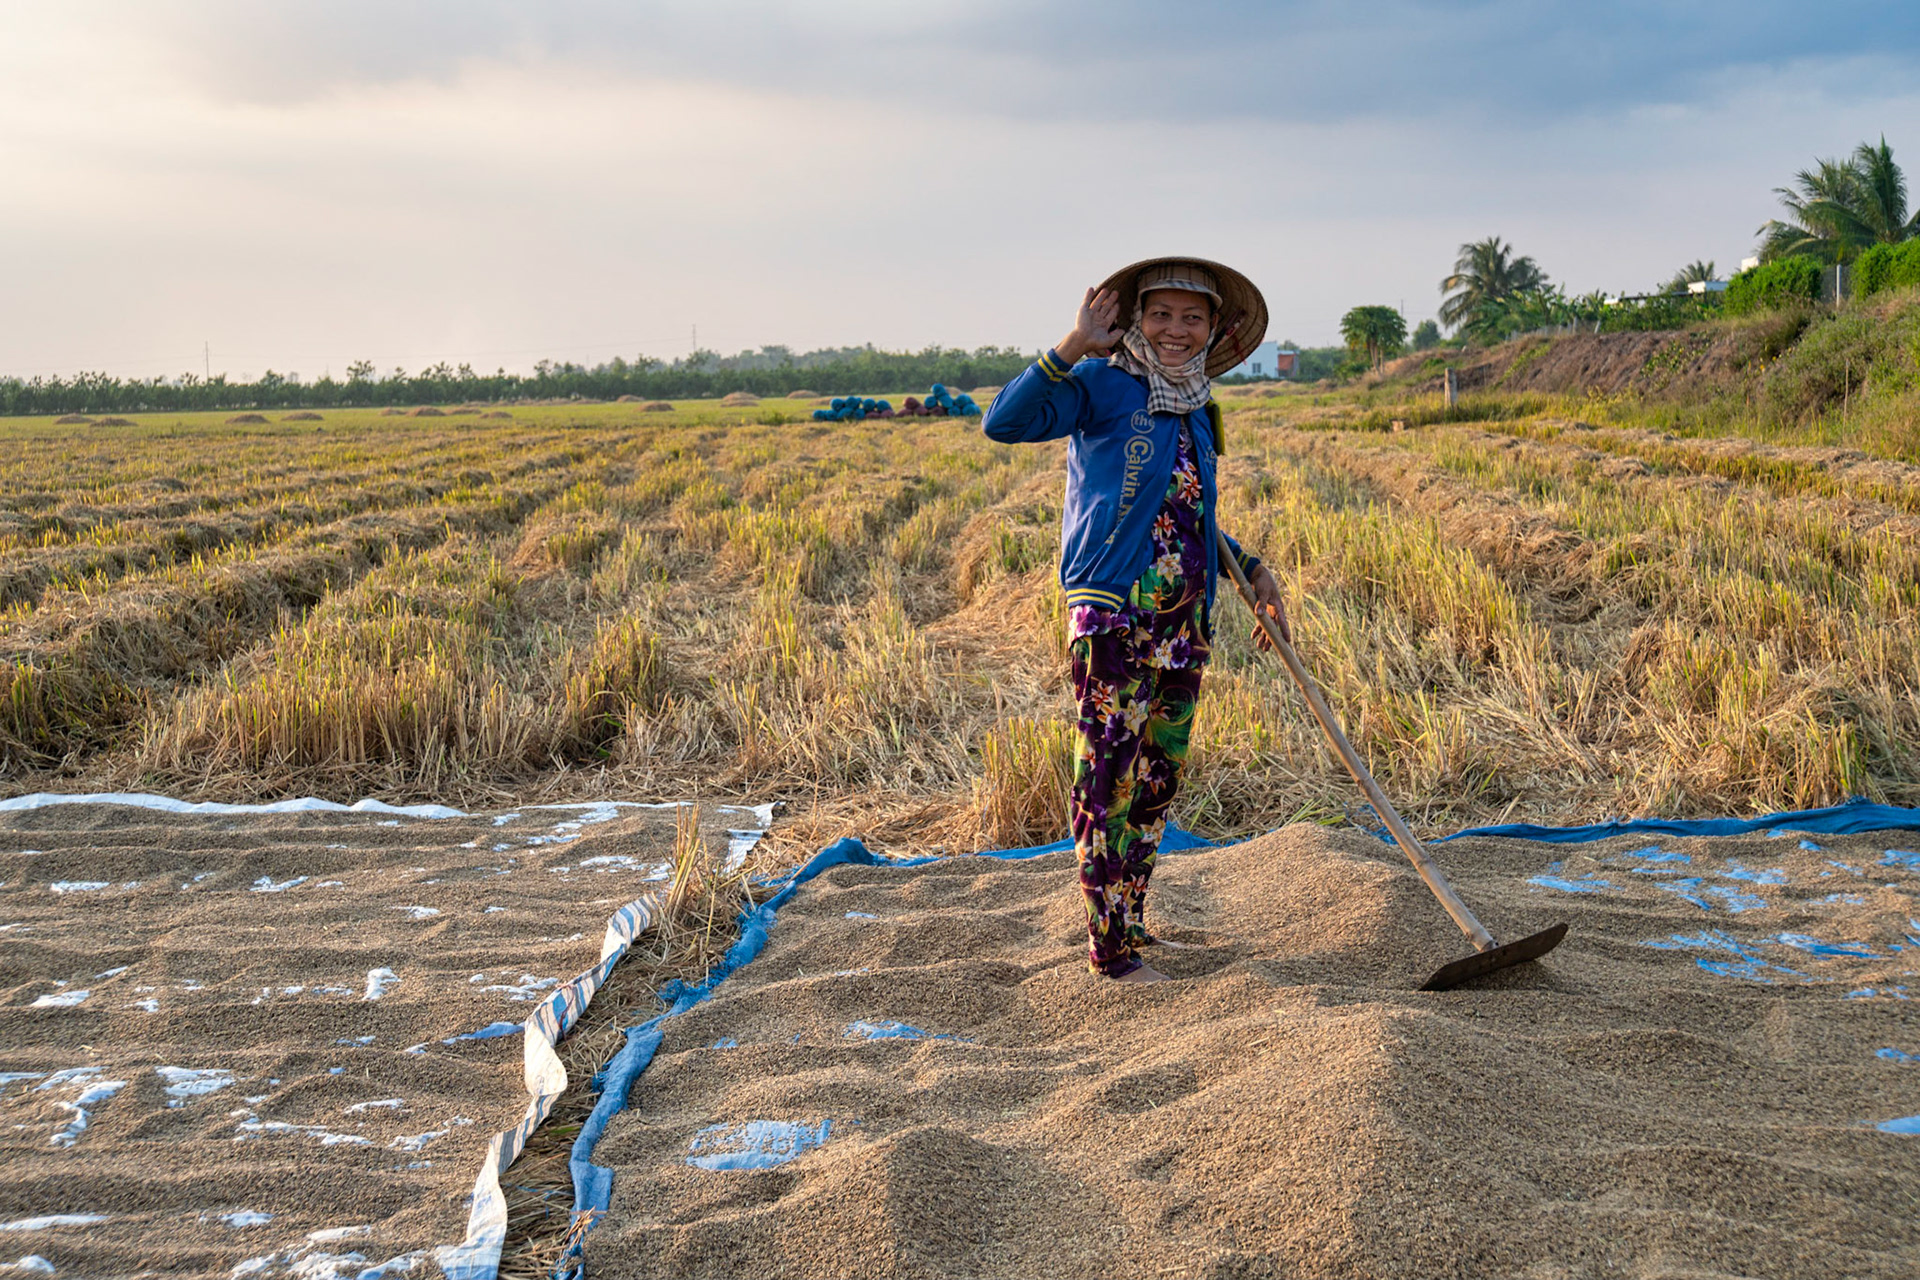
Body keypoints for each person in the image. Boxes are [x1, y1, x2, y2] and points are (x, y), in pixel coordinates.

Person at [981, 258, 1290, 984]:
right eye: (1161, 315)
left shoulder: (1197, 409)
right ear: (1135, 319)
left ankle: (1133, 922)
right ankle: (1108, 954)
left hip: (1184, 625)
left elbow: (1189, 513)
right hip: (1115, 615)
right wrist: (1072, 345)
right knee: (1107, 784)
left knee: (1156, 782)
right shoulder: (1101, 384)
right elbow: (1005, 421)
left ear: (1215, 329)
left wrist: (1249, 567)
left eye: (1192, 318)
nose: (1175, 331)